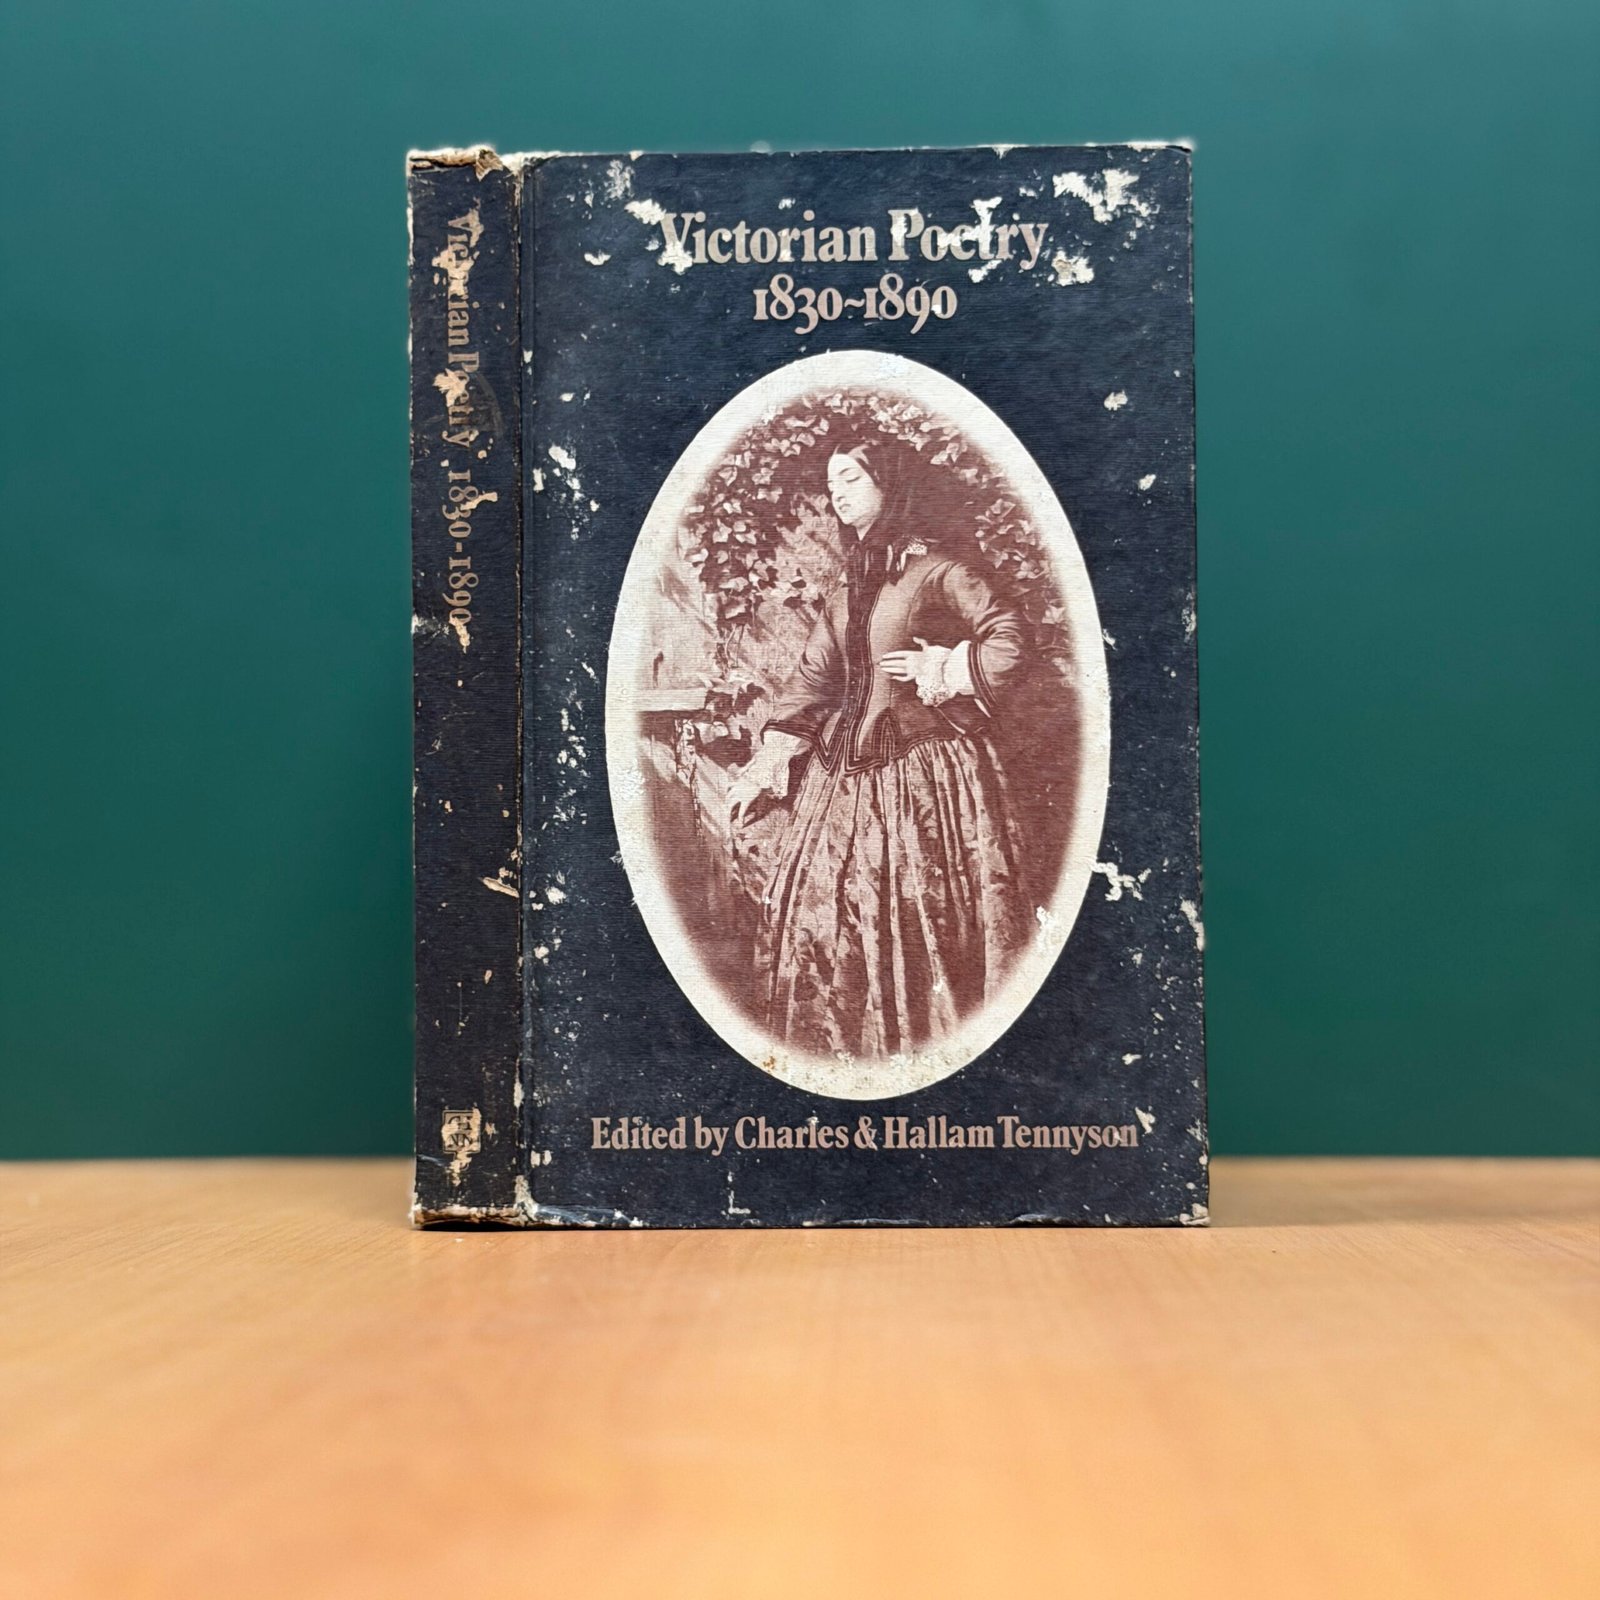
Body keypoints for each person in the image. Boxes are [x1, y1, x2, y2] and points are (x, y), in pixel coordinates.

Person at [727, 433, 1036, 1060]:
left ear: (889, 485)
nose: (837, 493)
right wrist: (769, 762)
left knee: (925, 915)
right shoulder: (847, 585)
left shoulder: (941, 570)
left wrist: (944, 666)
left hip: (929, 775)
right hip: (840, 778)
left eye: (851, 478)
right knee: (826, 919)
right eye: (831, 483)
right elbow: (814, 678)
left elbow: (1011, 639)